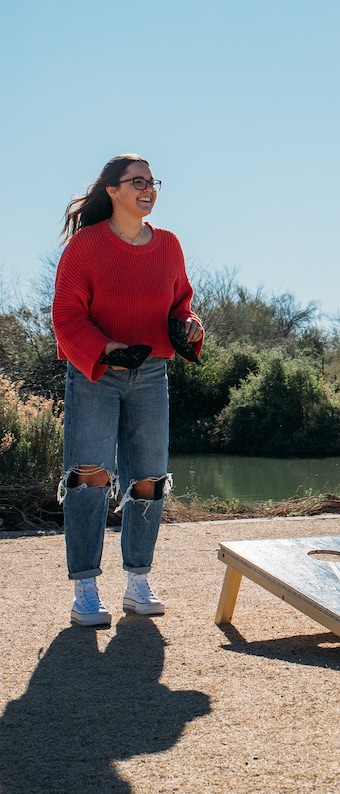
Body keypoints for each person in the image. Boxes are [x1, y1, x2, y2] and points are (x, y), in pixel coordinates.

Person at [52, 154, 204, 627]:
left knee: (148, 481)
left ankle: (138, 581)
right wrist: (107, 348)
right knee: (90, 475)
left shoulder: (170, 245)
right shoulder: (85, 246)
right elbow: (66, 316)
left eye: (152, 181)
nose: (148, 188)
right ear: (113, 191)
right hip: (96, 373)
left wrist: (191, 327)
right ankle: (86, 588)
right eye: (137, 181)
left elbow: (181, 305)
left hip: (152, 374)